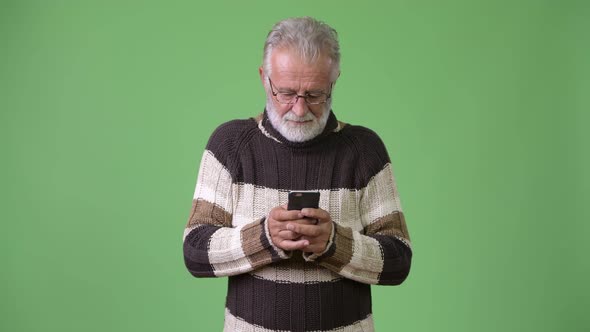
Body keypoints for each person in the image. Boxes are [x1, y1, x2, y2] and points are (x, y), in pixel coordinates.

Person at [183, 16, 412, 332]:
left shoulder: (364, 150)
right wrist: (264, 238)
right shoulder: (230, 145)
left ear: (334, 81)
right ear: (265, 79)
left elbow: (398, 260)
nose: (300, 109)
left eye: (315, 94)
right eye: (287, 93)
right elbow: (195, 251)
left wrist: (334, 244)